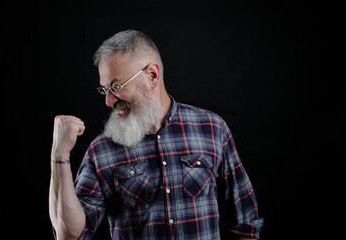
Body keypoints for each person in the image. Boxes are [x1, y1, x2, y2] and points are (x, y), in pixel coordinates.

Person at [49, 30, 263, 240]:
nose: (109, 101)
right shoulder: (101, 150)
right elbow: (68, 234)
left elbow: (247, 221)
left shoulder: (212, 128)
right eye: (105, 89)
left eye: (116, 87)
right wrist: (59, 154)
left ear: (152, 75)